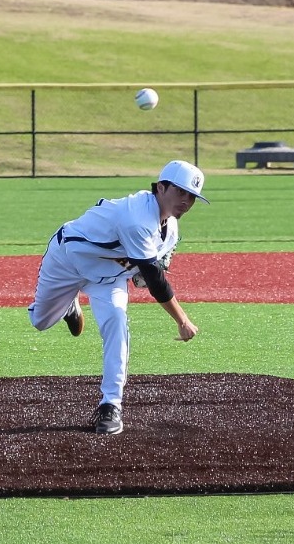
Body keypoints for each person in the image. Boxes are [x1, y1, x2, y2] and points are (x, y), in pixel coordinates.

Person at [28, 159, 208, 435]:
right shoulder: (137, 217)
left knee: (116, 320)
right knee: (40, 321)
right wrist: (182, 320)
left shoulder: (170, 230)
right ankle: (68, 306)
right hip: (66, 262)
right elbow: (155, 281)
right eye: (180, 192)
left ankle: (110, 405)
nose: (186, 201)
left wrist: (141, 272)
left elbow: (145, 272)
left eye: (192, 197)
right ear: (161, 187)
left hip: (108, 278)